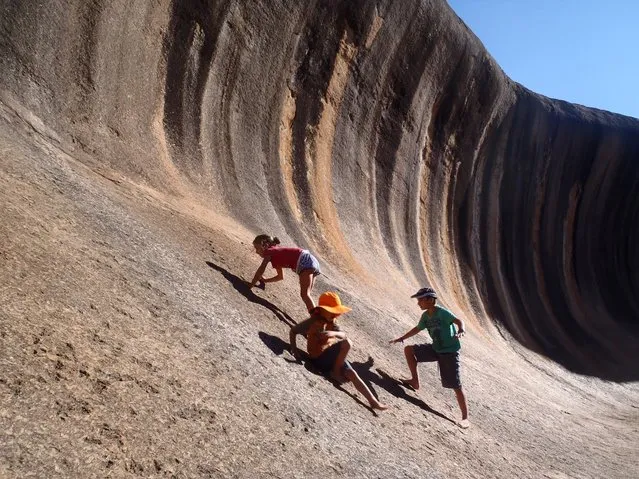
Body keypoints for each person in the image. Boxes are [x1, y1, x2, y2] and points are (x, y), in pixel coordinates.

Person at [290, 292, 389, 411]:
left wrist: (334, 333)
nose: (335, 314)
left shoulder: (332, 322)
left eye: (337, 312)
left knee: (352, 373)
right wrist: (294, 350)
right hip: (318, 359)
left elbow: (343, 334)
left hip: (330, 359)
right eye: (332, 311)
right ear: (321, 310)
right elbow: (293, 331)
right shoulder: (313, 321)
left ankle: (373, 401)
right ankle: (336, 373)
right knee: (347, 343)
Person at [389, 287, 469, 428]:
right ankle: (415, 381)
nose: (418, 303)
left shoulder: (442, 313)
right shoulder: (426, 316)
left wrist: (461, 330)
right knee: (409, 350)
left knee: (456, 385)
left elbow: (458, 321)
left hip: (449, 353)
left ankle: (465, 418)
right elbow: (417, 329)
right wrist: (402, 338)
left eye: (420, 300)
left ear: (430, 299)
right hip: (435, 348)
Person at [248, 234, 320, 312]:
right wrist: (265, 280)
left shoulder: (269, 251)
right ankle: (321, 318)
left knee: (305, 295)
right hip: (311, 261)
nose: (256, 252)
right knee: (307, 295)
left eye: (257, 248)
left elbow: (261, 269)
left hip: (304, 261)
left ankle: (317, 319)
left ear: (265, 245)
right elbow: (280, 277)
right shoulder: (277, 255)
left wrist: (251, 285)